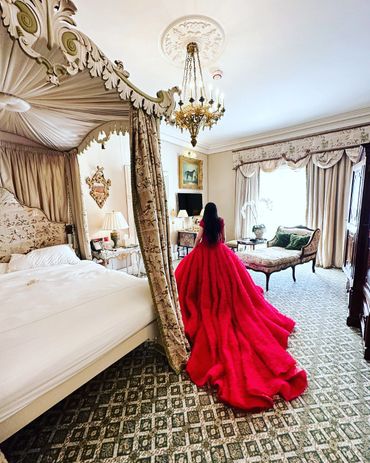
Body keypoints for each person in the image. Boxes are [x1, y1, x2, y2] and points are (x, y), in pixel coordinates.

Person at [175, 202, 307, 410]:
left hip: (204, 254)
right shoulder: (219, 222)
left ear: (204, 214)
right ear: (216, 213)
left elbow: (198, 239)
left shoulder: (204, 222)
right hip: (220, 253)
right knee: (234, 287)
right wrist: (218, 246)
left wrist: (195, 251)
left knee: (198, 287)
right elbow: (223, 240)